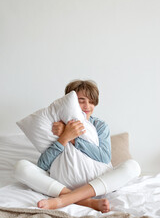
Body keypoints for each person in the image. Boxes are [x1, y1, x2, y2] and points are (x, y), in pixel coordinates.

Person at [14, 80, 141, 213]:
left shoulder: (100, 126)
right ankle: (86, 201)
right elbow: (43, 165)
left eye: (91, 102)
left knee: (133, 166)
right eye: (81, 100)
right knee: (21, 167)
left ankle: (64, 200)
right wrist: (64, 137)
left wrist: (73, 137)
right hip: (61, 184)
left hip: (99, 183)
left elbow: (104, 157)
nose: (87, 106)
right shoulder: (54, 125)